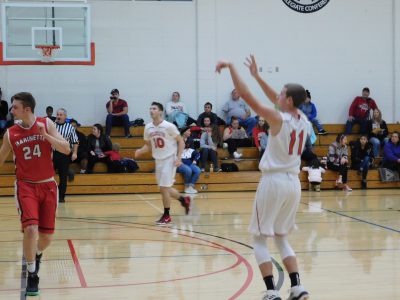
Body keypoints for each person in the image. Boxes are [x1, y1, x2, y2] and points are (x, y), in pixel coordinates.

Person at [216, 55, 310, 300]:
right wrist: (257, 75)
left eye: (281, 94)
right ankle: (298, 287)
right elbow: (274, 101)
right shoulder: (304, 121)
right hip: (293, 183)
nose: (277, 96)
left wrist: (232, 68)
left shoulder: (279, 117)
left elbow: (247, 97)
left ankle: (270, 291)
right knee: (281, 237)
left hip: (274, 182)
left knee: (259, 239)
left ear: (288, 100)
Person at [0, 92, 70, 296]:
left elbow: (66, 149)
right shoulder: (10, 133)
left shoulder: (46, 123)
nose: (11, 110)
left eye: (15, 107)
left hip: (48, 185)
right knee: (31, 229)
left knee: (46, 238)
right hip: (25, 186)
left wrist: (45, 135)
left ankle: (36, 255)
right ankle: (32, 274)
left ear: (27, 109)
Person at [135, 102, 191, 225]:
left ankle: (167, 215)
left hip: (169, 159)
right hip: (158, 160)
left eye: (154, 108)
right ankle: (184, 200)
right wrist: (140, 151)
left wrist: (179, 158)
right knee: (165, 188)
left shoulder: (168, 126)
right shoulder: (148, 127)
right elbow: (148, 146)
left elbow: (181, 142)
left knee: (164, 188)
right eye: (150, 108)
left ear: (160, 112)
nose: (151, 110)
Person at [53, 108, 78, 202]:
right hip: (53, 154)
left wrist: (75, 153)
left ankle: (61, 197)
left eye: (61, 115)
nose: (58, 116)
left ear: (65, 117)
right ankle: (50, 194)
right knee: (49, 176)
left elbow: (75, 141)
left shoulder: (70, 127)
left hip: (64, 154)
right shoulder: (52, 125)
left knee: (63, 177)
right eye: (58, 114)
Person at [177, 127, 201, 194]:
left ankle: (191, 186)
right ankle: (186, 187)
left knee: (197, 170)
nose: (190, 132)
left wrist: (194, 160)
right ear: (184, 132)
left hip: (188, 161)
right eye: (188, 131)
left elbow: (192, 152)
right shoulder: (177, 140)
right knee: (188, 170)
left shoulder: (190, 140)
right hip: (179, 162)